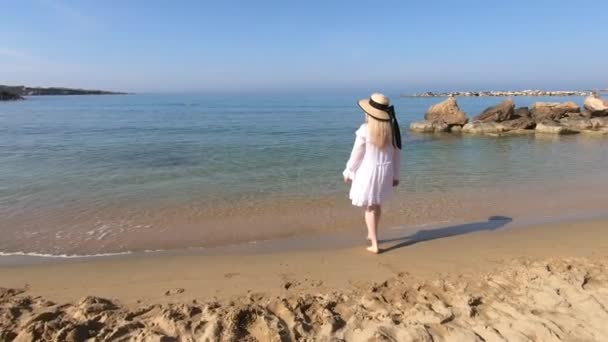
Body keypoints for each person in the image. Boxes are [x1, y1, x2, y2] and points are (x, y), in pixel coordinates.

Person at [343, 93, 402, 254]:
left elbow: (357, 153)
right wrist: (396, 175)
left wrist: (349, 170)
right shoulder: (392, 129)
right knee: (377, 204)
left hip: (368, 172)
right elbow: (397, 154)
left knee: (370, 207)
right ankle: (371, 233)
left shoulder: (365, 130)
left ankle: (375, 244)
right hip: (385, 172)